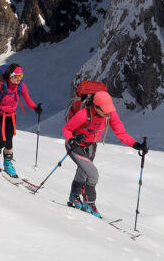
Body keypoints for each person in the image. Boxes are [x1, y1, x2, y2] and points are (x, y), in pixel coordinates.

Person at [62, 90, 148, 218]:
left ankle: (74, 195)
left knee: (83, 171)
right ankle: (89, 202)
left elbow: (121, 133)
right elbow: (66, 129)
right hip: (75, 146)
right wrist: (71, 140)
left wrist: (137, 145)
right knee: (93, 174)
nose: (108, 113)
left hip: (91, 146)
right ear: (96, 107)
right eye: (105, 111)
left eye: (109, 110)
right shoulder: (84, 114)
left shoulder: (110, 114)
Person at [0, 65, 43, 178]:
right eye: (17, 76)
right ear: (11, 76)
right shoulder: (2, 85)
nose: (19, 79)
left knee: (9, 143)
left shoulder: (21, 86)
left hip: (11, 117)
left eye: (21, 76)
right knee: (2, 141)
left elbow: (27, 99)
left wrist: (35, 108)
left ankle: (7, 164)